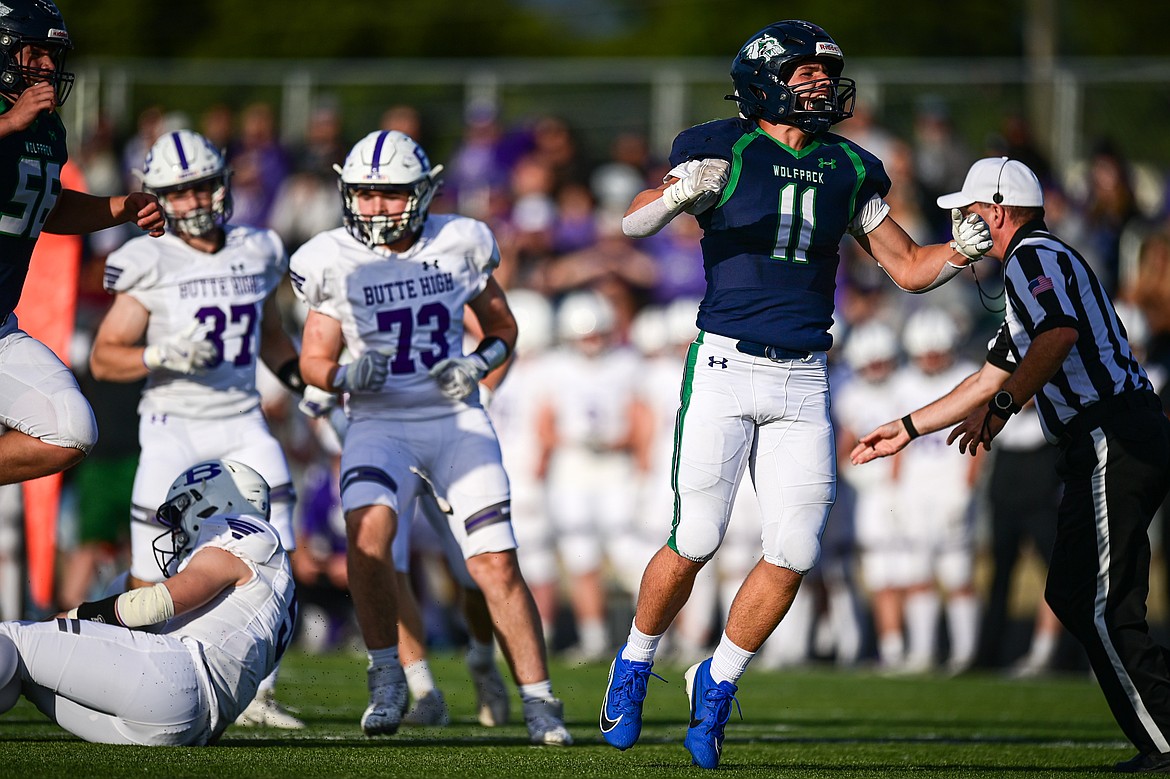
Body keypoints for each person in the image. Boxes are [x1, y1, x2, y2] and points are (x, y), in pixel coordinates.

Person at [598, 20, 992, 769]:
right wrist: (682, 195)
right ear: (763, 80)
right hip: (724, 365)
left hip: (806, 377)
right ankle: (635, 661)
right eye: (804, 72)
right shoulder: (721, 143)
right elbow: (634, 221)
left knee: (795, 547)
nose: (819, 83)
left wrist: (961, 253)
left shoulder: (850, 165)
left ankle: (715, 683)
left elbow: (908, 266)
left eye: (824, 73)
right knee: (698, 538)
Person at [850, 157, 1170, 774]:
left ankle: (1163, 740)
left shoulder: (1031, 257)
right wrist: (908, 428)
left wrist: (1002, 408)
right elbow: (988, 374)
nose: (965, 224)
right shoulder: (1039, 261)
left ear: (997, 209)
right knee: (1075, 592)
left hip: (1111, 433)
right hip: (1111, 438)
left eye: (970, 212)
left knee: (1101, 601)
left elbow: (1055, 339)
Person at [292, 129, 570, 744]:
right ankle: (389, 676)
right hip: (378, 420)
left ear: (421, 194)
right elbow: (314, 361)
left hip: (454, 420)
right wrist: (342, 373)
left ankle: (539, 701)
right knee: (369, 537)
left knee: (493, 564)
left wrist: (478, 363)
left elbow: (503, 328)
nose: (374, 207)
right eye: (363, 194)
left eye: (389, 195)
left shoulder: (461, 241)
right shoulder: (327, 257)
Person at [89, 129, 304, 729]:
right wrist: (160, 358)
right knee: (149, 563)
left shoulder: (259, 247)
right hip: (171, 427)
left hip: (241, 421)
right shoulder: (148, 259)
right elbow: (105, 358)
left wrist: (306, 387)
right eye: (178, 192)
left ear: (224, 183)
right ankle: (133, 677)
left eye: (203, 185)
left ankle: (257, 691)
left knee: (274, 555)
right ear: (158, 198)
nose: (194, 200)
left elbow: (272, 337)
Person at [0, 460, 297, 745]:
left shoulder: (242, 532)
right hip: (191, 725)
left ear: (214, 503)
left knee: (10, 636)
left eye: (181, 513)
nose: (176, 532)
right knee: (22, 673)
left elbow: (160, 602)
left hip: (176, 677)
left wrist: (73, 616)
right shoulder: (274, 583)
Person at [0, 0, 164, 487]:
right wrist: (9, 124)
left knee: (68, 428)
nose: (48, 66)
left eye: (54, 54)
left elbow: (42, 205)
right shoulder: (19, 119)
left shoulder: (47, 127)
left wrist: (120, 208)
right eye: (36, 52)